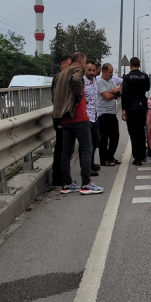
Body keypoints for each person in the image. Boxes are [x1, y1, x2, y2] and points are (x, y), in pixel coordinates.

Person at [52, 52, 104, 195]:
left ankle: (67, 182)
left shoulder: (61, 73)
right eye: (85, 61)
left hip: (65, 117)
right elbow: (76, 81)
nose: (85, 64)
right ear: (80, 60)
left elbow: (55, 93)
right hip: (79, 117)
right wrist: (78, 97)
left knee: (66, 152)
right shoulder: (76, 70)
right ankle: (86, 183)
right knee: (87, 148)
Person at [120, 57, 150, 166]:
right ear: (139, 65)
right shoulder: (145, 76)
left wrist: (123, 109)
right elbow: (147, 88)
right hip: (142, 106)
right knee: (141, 130)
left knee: (133, 132)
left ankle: (137, 158)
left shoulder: (127, 77)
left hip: (132, 107)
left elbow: (125, 94)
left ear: (130, 65)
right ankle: (143, 155)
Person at [51, 55, 72, 186]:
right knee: (61, 149)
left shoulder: (60, 76)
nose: (70, 68)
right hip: (59, 117)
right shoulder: (59, 78)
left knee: (63, 148)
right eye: (69, 65)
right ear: (62, 64)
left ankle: (60, 176)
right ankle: (58, 178)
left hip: (59, 116)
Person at [97, 63, 121, 166]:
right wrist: (115, 93)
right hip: (103, 114)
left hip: (112, 113)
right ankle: (104, 160)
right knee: (104, 138)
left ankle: (110, 156)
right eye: (110, 72)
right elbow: (107, 96)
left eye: (112, 72)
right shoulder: (100, 82)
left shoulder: (111, 82)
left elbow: (119, 95)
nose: (112, 74)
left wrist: (116, 92)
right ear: (104, 71)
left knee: (115, 136)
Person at [84, 60, 101, 176]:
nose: (91, 72)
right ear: (85, 70)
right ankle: (86, 168)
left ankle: (91, 163)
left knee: (95, 142)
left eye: (93, 70)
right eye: (89, 70)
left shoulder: (95, 81)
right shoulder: (82, 82)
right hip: (86, 117)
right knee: (86, 144)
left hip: (95, 115)